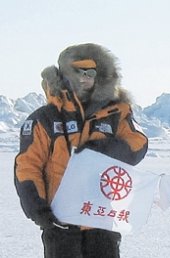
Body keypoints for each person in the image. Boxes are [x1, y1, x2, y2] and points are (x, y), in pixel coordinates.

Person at [14, 43, 148, 258]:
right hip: (61, 222)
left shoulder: (115, 112)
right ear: (66, 75)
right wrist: (38, 210)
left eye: (90, 72)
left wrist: (102, 149)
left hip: (101, 218)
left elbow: (138, 143)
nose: (85, 77)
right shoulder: (44, 119)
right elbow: (28, 167)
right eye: (79, 71)